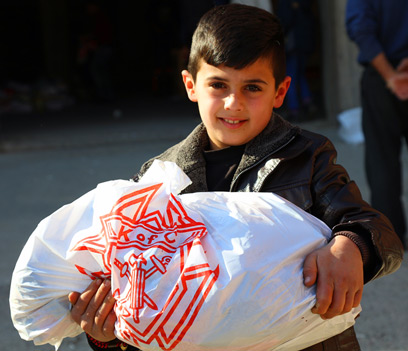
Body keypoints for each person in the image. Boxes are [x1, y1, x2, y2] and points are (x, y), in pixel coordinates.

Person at [69, 4, 404, 351]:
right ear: (190, 84)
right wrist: (107, 334)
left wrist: (350, 245)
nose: (233, 103)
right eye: (218, 84)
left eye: (253, 88)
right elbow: (136, 286)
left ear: (280, 91)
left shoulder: (308, 157)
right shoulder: (157, 181)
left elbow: (378, 230)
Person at [346, 0, 408, 250]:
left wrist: (390, 76)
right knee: (381, 162)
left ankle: (391, 239)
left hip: (381, 78)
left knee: (381, 160)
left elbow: (360, 28)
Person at [276, 0, 316, 121]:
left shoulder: (286, 3)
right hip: (305, 43)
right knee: (300, 74)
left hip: (292, 45)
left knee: (290, 77)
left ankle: (294, 109)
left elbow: (285, 21)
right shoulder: (304, 5)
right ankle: (307, 100)